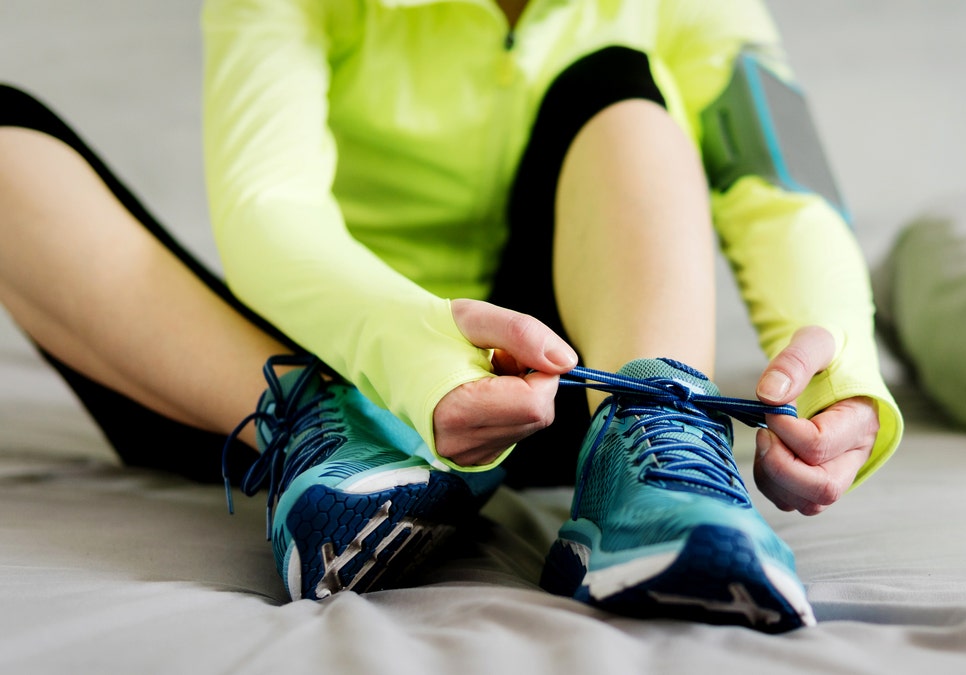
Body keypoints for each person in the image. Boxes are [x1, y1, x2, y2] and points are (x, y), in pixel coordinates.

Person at [0, 0, 901, 633]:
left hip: (561, 389)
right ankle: (327, 434)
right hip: (283, 376)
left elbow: (785, 186)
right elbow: (268, 208)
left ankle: (657, 442)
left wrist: (837, 370)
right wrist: (420, 362)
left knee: (620, 87)